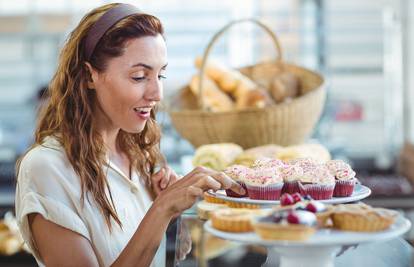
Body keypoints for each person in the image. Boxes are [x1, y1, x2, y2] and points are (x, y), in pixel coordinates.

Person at [14, 3, 245, 267]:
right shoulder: (46, 168)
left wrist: (172, 211)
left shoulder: (139, 157)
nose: (157, 94)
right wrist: (161, 210)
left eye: (161, 74)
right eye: (139, 76)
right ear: (90, 76)